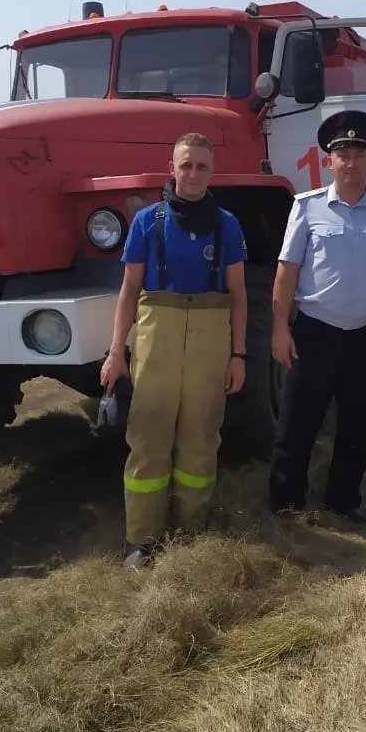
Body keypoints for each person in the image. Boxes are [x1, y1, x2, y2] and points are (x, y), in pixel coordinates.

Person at [100, 132, 249, 569]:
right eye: (186, 165)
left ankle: (191, 530)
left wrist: (239, 355)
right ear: (172, 168)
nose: (193, 174)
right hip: (157, 332)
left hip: (210, 334)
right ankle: (142, 539)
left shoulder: (228, 224)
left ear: (212, 172)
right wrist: (115, 352)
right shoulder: (147, 221)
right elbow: (129, 291)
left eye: (202, 166)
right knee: (148, 435)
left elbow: (239, 295)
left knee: (201, 436)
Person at [267, 109, 366, 524]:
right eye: (342, 154)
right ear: (328, 160)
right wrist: (279, 329)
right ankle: (286, 502)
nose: (350, 162)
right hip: (315, 332)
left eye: (358, 154)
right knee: (297, 423)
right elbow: (286, 271)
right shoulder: (305, 208)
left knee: (357, 426)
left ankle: (343, 499)